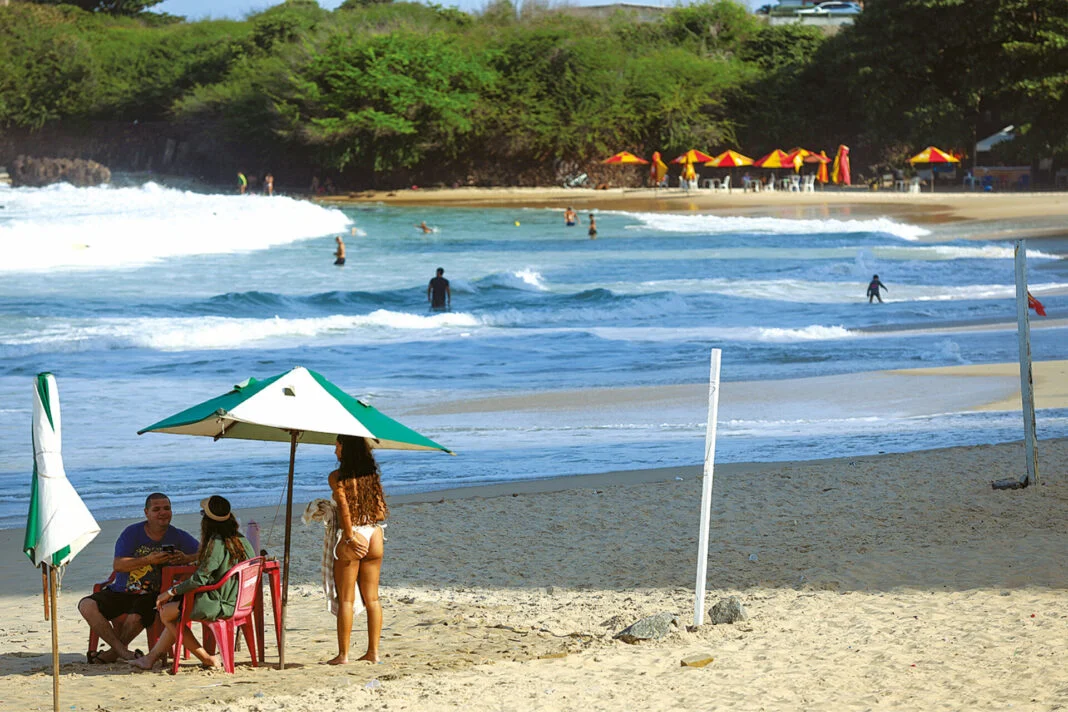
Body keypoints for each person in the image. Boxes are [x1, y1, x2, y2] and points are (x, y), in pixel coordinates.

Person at [129, 496, 254, 671]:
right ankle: (149, 659)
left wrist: (170, 592)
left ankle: (207, 658)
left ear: (207, 520)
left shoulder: (216, 542)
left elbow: (200, 579)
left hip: (220, 604)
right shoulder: (241, 540)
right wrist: (191, 561)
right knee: (175, 613)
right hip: (241, 602)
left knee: (165, 612)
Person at [78, 493, 198, 663]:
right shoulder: (132, 533)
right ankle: (121, 652)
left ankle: (111, 654)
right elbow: (118, 565)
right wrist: (149, 560)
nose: (162, 513)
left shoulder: (177, 536)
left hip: (153, 594)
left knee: (135, 618)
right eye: (156, 509)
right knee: (86, 605)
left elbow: (203, 552)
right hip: (122, 590)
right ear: (146, 512)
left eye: (167, 508)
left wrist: (185, 558)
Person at [324, 435, 389, 665]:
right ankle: (373, 652)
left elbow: (343, 507)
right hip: (375, 533)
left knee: (346, 599)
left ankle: (343, 655)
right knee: (373, 598)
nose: (335, 451)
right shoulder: (371, 476)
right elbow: (381, 512)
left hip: (355, 535)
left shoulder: (337, 476)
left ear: (346, 449)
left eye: (337, 446)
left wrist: (350, 535)